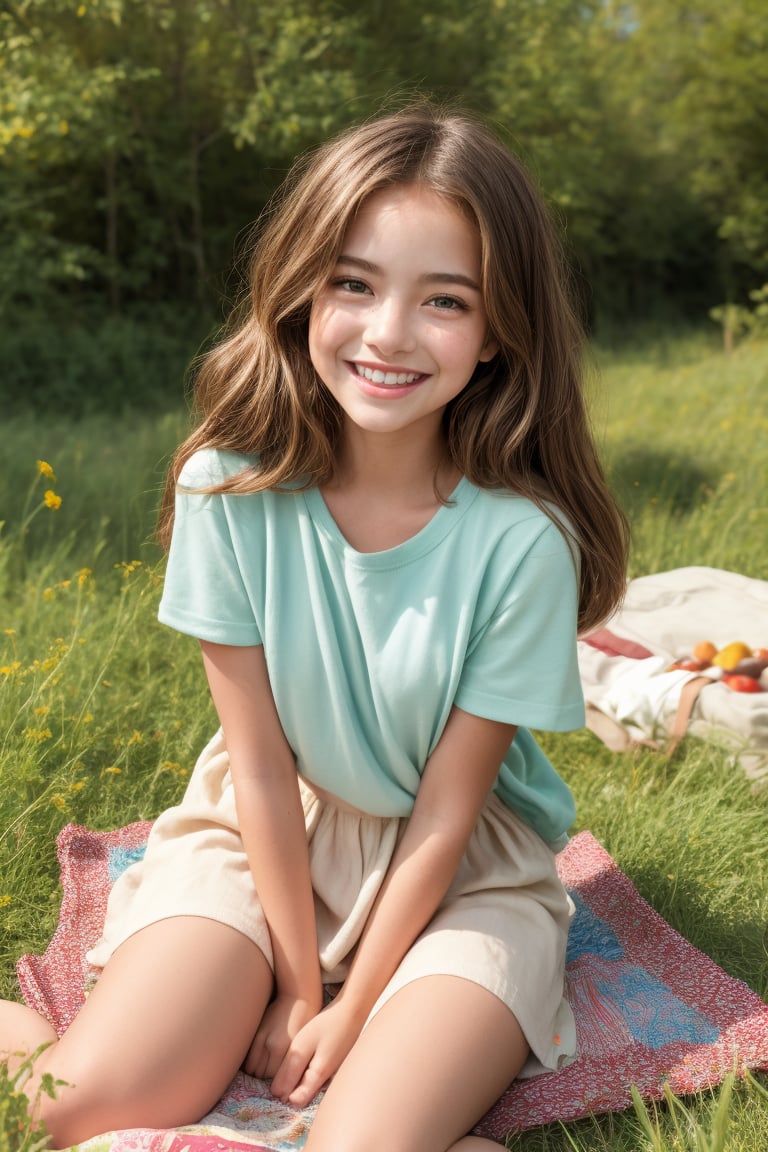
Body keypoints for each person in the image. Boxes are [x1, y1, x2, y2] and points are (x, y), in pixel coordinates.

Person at [0, 103, 629, 1151]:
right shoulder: (227, 491)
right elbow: (255, 765)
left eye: (444, 300)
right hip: (262, 839)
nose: (388, 332)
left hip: (464, 874)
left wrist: (350, 1007)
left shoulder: (522, 543)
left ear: (498, 331)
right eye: (354, 282)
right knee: (61, 1112)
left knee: (360, 1143)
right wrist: (298, 985)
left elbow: (446, 811)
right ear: (300, 291)